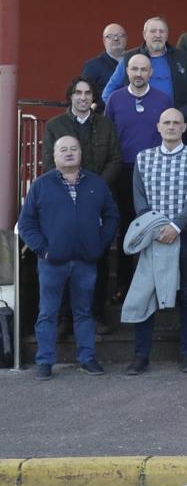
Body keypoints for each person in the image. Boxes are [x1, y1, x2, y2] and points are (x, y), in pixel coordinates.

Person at [20, 135, 119, 380]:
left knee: (84, 312)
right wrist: (43, 249)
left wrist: (100, 243)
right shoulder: (41, 185)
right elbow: (26, 223)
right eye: (62, 149)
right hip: (51, 262)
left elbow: (112, 216)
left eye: (73, 148)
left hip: (86, 260)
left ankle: (87, 358)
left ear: (80, 153)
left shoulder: (96, 184)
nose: (68, 153)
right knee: (47, 313)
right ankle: (44, 361)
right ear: (54, 156)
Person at [123, 108, 187, 375]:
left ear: (184, 127)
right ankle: (140, 354)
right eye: (166, 123)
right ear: (158, 127)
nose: (171, 126)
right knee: (145, 291)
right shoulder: (143, 158)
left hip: (185, 235)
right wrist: (158, 228)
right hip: (151, 236)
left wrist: (176, 226)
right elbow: (139, 198)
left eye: (176, 123)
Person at [105, 54, 172, 306]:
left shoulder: (163, 100)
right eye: (134, 69)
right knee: (127, 226)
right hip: (124, 170)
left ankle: (155, 284)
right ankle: (124, 283)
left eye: (144, 69)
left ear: (151, 72)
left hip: (154, 170)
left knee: (154, 226)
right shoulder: (115, 99)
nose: (139, 73)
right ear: (127, 71)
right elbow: (110, 135)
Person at [102, 16, 187, 107]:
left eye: (162, 31)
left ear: (167, 35)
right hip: (140, 118)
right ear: (144, 35)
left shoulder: (182, 58)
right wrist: (124, 111)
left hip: (174, 118)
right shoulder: (129, 58)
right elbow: (108, 93)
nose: (158, 35)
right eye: (153, 31)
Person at [82, 23, 127, 98]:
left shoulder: (136, 62)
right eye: (110, 36)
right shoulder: (92, 66)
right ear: (104, 40)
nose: (116, 39)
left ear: (126, 38)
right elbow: (84, 95)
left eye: (120, 35)